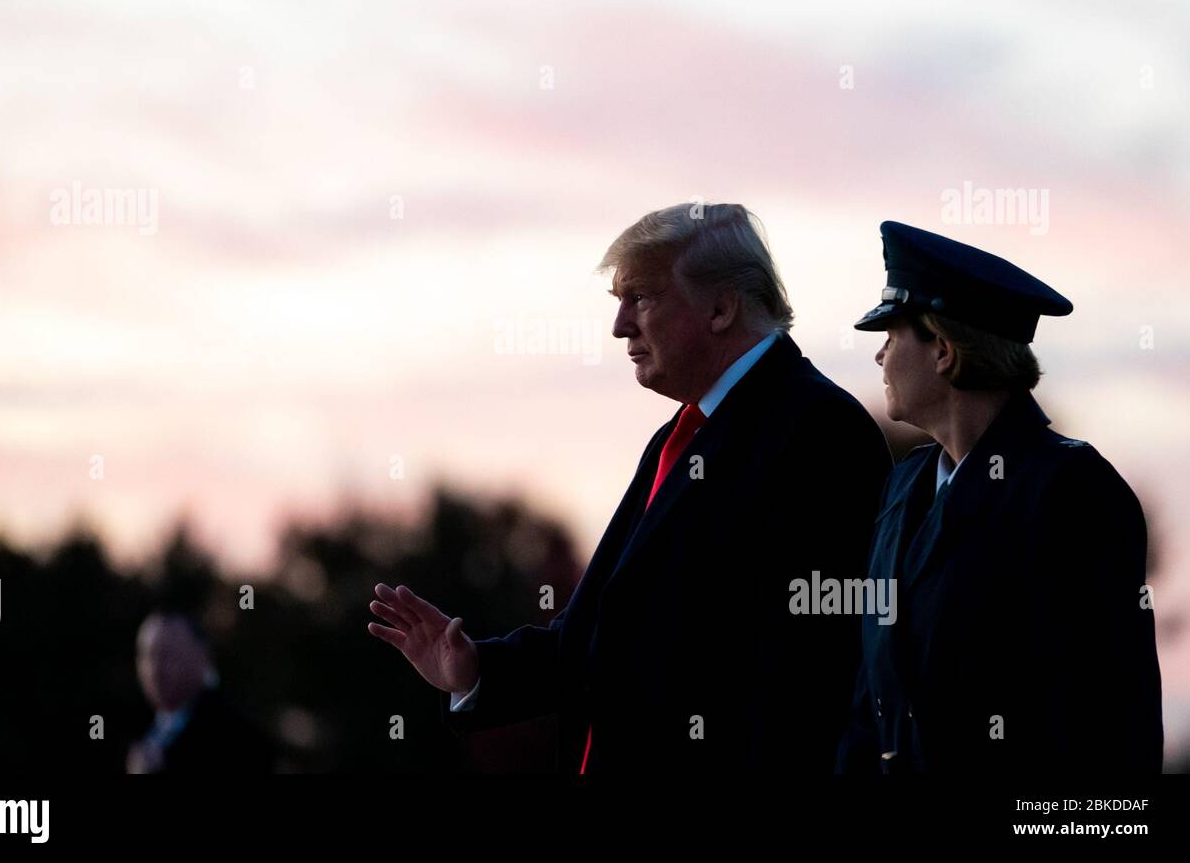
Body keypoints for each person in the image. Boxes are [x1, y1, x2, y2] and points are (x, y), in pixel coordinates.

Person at [368, 202, 891, 773]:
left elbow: (811, 672)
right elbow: (600, 634)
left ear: (720, 308)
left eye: (640, 297)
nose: (620, 324)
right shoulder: (679, 435)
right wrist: (475, 671)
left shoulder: (820, 430)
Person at [837, 220, 1163, 774]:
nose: (880, 358)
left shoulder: (1069, 490)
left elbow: (1109, 723)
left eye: (890, 338)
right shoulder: (904, 486)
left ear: (942, 350)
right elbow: (874, 704)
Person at [127, 611, 271, 773]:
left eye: (168, 654)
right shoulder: (131, 723)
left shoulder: (237, 737)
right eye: (147, 655)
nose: (155, 669)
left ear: (203, 656)